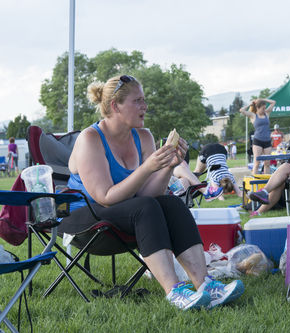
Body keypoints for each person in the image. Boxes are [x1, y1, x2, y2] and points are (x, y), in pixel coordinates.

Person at [59, 75, 244, 310]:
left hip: (126, 213)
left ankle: (205, 285)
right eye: (137, 101)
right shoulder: (90, 139)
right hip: (84, 220)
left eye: (144, 100)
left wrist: (168, 165)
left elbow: (151, 193)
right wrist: (147, 168)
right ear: (116, 106)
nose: (145, 106)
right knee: (145, 207)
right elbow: (104, 197)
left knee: (171, 203)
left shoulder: (143, 136)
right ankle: (174, 291)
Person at [239, 98, 276, 174]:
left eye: (265, 108)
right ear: (258, 108)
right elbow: (241, 110)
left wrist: (262, 99)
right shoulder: (253, 115)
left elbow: (273, 102)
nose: (264, 109)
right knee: (257, 163)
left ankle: (267, 183)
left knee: (267, 163)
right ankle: (254, 181)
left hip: (267, 141)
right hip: (258, 141)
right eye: (263, 108)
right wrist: (251, 104)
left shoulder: (267, 114)